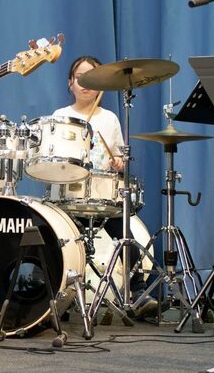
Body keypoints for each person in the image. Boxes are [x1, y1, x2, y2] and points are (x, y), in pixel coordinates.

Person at [54, 55, 156, 320]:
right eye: (80, 78)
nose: (85, 84)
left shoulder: (109, 119)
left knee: (126, 236)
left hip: (102, 197)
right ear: (70, 82)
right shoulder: (60, 117)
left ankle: (138, 293)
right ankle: (55, 296)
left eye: (92, 78)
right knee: (57, 241)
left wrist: (118, 162)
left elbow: (119, 156)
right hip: (69, 197)